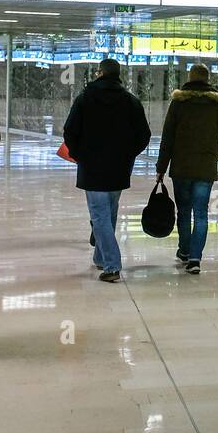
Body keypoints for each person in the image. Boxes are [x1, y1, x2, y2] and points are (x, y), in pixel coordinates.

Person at [62, 58, 151, 282]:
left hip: (92, 168)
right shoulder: (131, 101)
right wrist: (127, 154)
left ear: (99, 73)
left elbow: (69, 131)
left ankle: (112, 265)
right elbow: (144, 135)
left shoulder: (84, 99)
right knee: (109, 212)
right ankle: (100, 256)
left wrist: (81, 155)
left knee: (100, 215)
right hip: (118, 169)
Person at [155, 63, 218, 274]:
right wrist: (213, 155)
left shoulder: (179, 103)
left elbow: (167, 138)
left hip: (181, 167)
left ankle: (184, 250)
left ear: (190, 78)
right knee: (201, 213)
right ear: (207, 79)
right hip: (205, 169)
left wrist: (161, 167)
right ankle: (195, 259)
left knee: (184, 211)